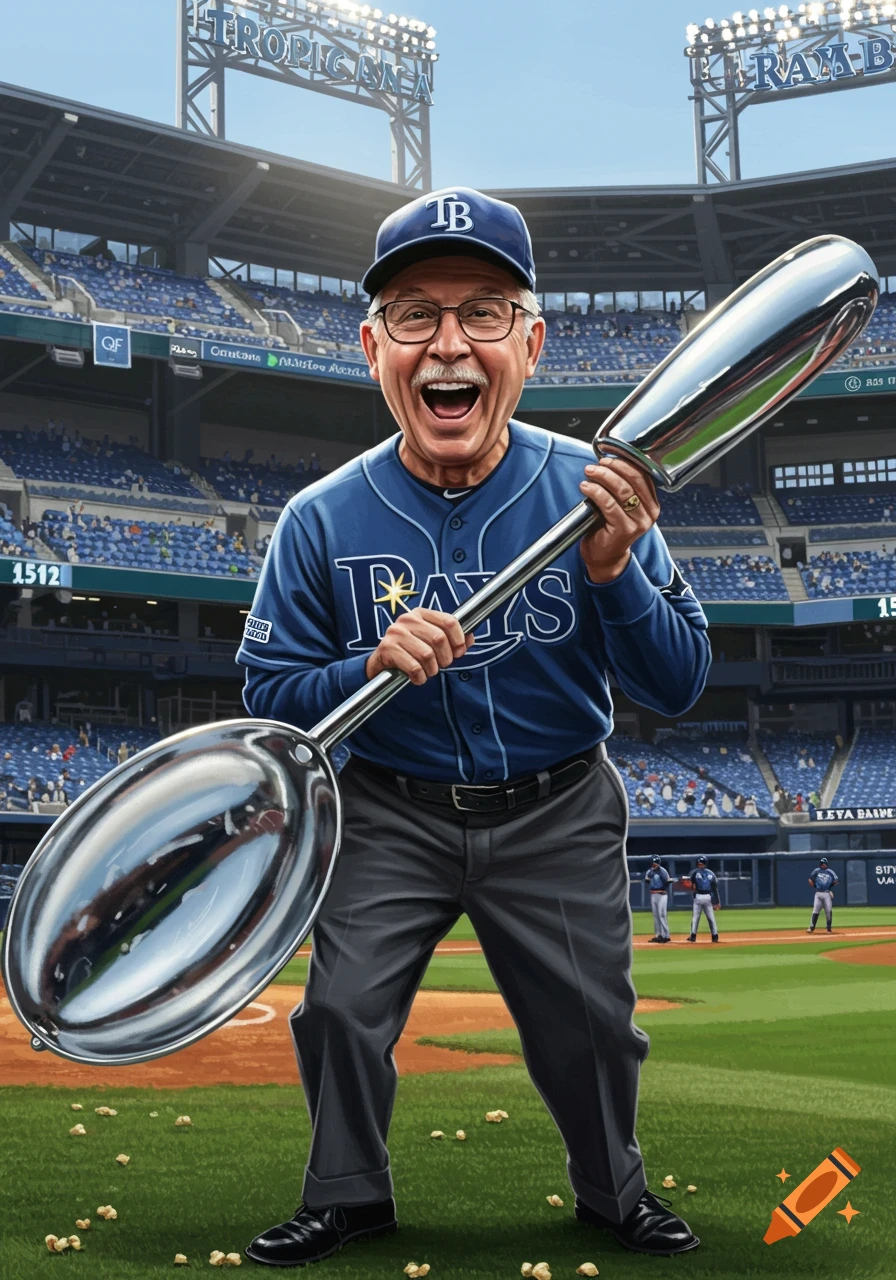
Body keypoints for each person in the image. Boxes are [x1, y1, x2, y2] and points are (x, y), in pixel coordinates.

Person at [236, 187, 710, 1266]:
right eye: (414, 314)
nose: (448, 343)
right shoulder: (319, 517)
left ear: (528, 343)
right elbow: (266, 692)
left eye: (483, 312)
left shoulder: (597, 493)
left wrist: (615, 572)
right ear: (373, 347)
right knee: (340, 1009)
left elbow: (677, 679)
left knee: (592, 1026)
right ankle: (347, 1193)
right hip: (386, 807)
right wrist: (365, 663)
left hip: (555, 804)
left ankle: (611, 1189)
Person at [686, 857, 720, 943]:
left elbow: (692, 886)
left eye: (700, 863)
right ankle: (714, 936)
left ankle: (694, 936)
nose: (699, 865)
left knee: (699, 918)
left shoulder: (695, 873)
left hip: (701, 896)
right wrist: (717, 901)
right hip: (705, 897)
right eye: (699, 863)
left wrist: (717, 902)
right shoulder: (711, 874)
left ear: (704, 864)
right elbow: (714, 888)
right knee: (708, 918)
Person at [806, 856, 839, 933]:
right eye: (821, 863)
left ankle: (829, 928)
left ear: (826, 864)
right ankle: (811, 927)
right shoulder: (816, 871)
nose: (822, 865)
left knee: (828, 910)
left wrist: (830, 887)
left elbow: (836, 880)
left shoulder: (830, 871)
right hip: (818, 893)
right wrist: (814, 886)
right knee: (815, 910)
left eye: (824, 864)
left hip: (826, 893)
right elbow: (810, 879)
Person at [644, 858, 672, 943]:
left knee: (662, 915)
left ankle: (666, 936)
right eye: (653, 863)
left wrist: (668, 882)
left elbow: (666, 882)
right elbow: (647, 881)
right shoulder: (649, 872)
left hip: (662, 895)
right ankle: (658, 935)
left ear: (658, 863)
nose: (654, 864)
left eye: (655, 863)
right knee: (656, 916)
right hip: (653, 895)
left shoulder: (663, 871)